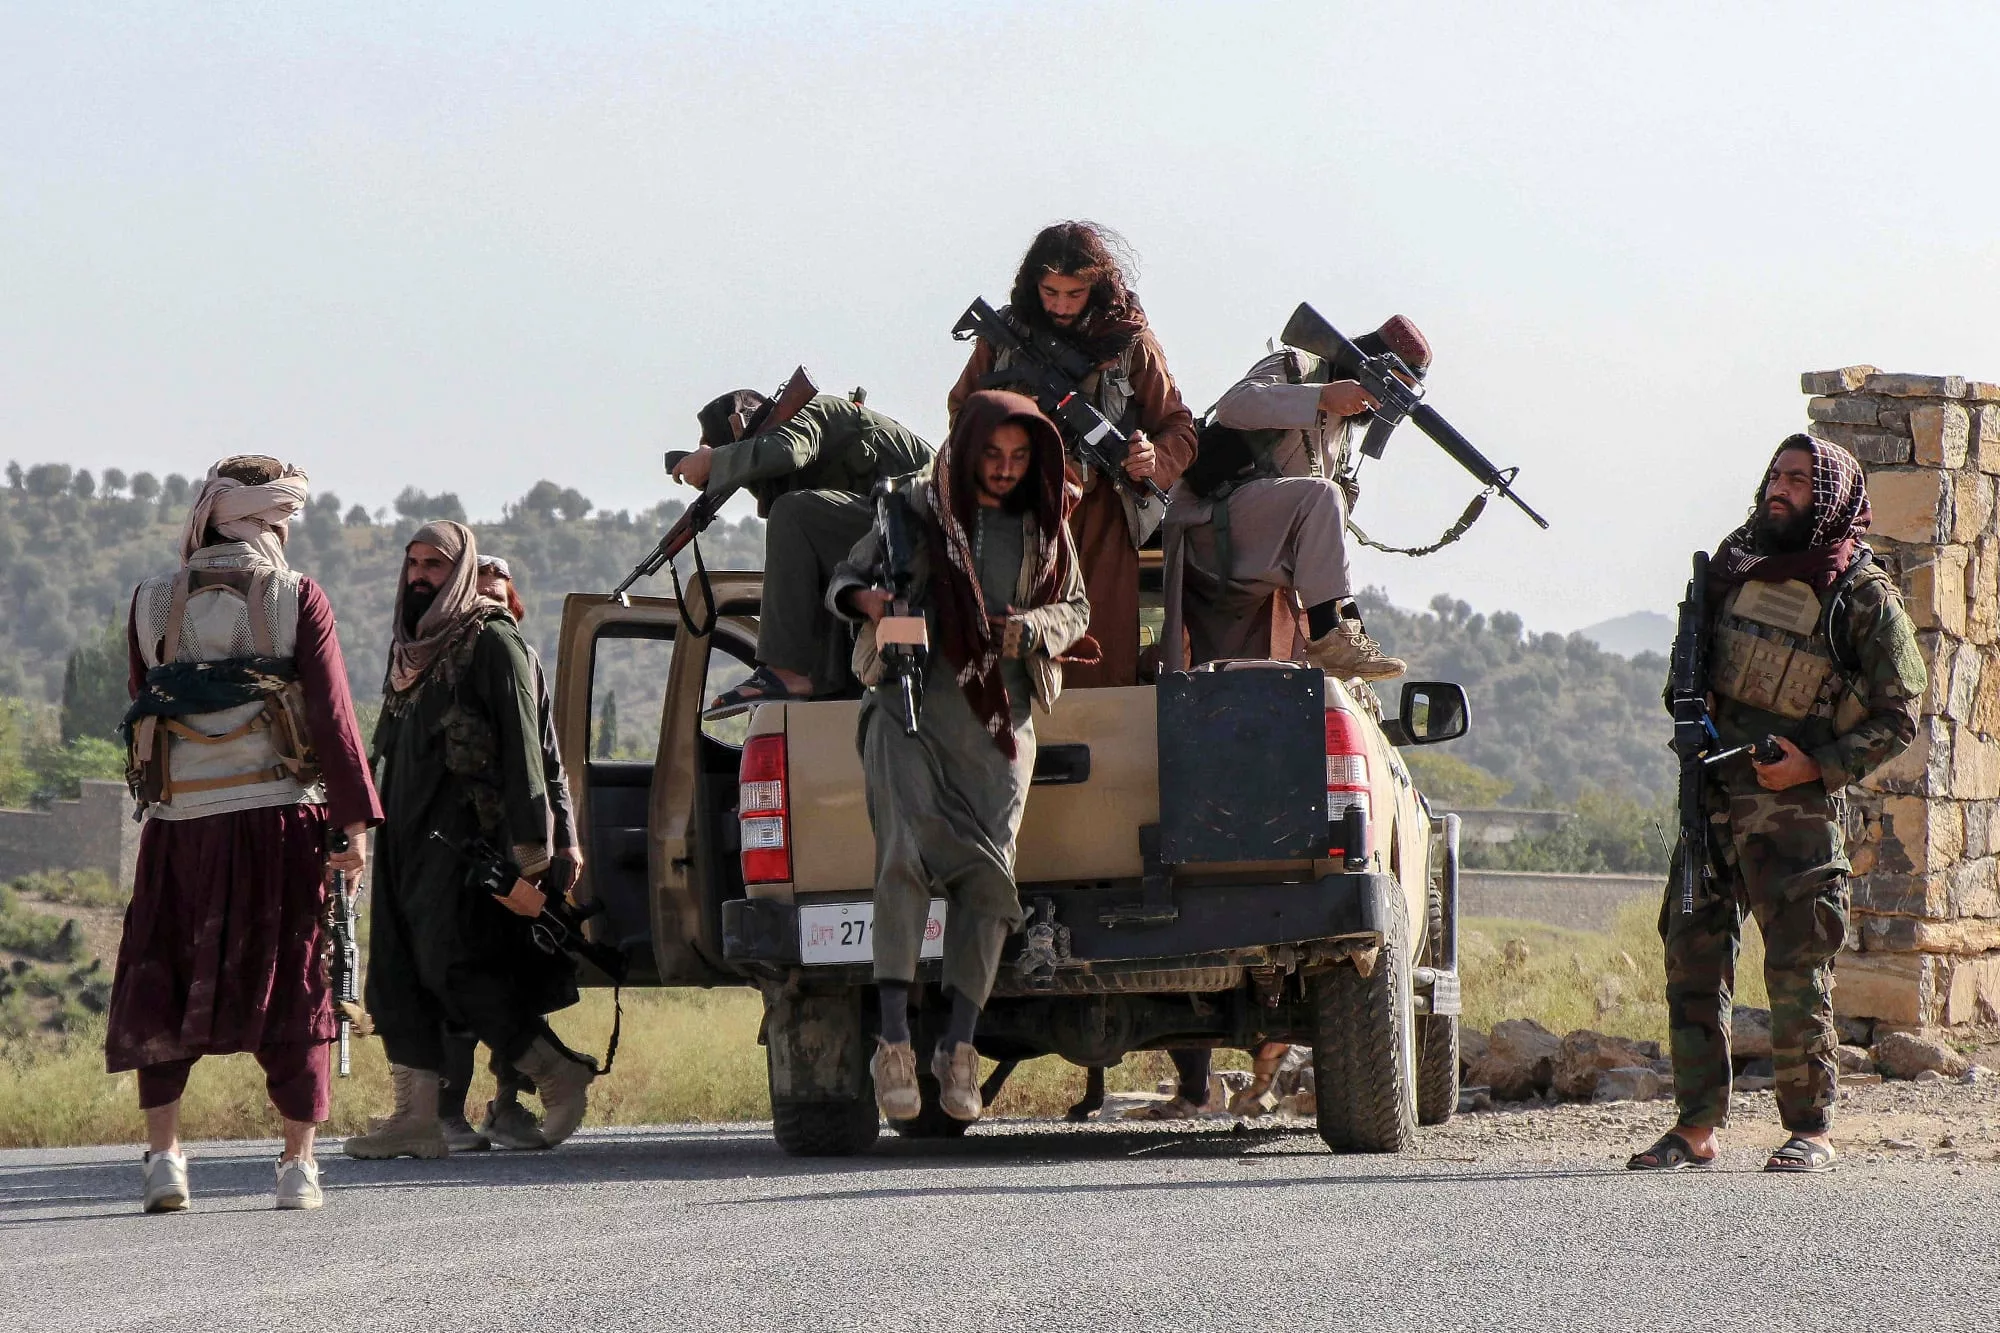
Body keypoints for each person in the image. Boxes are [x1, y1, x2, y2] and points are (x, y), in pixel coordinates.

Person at [1629, 435, 1925, 1175]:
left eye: (1798, 479)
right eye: (1775, 476)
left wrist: (1816, 766)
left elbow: (1900, 713)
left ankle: (1811, 1129)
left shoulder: (1859, 592)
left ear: (1826, 495)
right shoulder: (1732, 567)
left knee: (1798, 968)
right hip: (1713, 796)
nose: (1780, 489)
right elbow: (1688, 668)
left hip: (1793, 812)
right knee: (1692, 957)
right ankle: (1695, 1126)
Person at [106, 455, 381, 1213]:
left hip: (179, 829)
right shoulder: (297, 595)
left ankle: (164, 1159)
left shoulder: (150, 600)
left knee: (162, 977)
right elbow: (332, 717)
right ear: (265, 519)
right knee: (297, 983)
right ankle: (296, 1168)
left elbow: (143, 700)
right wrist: (352, 825)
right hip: (281, 822)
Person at [827, 390, 1092, 1122]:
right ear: (967, 448)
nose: (1005, 470)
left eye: (1018, 457)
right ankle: (893, 1045)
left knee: (989, 882)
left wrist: (1033, 626)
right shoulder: (911, 510)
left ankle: (959, 1046)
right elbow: (842, 583)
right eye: (992, 455)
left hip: (1000, 725)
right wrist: (875, 606)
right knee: (903, 860)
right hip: (905, 711)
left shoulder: (1046, 526)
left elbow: (1077, 608)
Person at [344, 521, 598, 1160]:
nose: (421, 575)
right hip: (403, 840)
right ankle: (416, 1116)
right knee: (396, 976)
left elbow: (529, 753)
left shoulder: (492, 644)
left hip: (464, 846)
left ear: (459, 571)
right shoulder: (410, 651)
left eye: (435, 564)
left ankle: (555, 1073)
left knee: (456, 971)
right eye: (413, 564)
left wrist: (536, 852)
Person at [949, 221, 1196, 687]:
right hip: (1014, 516)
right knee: (1010, 659)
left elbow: (1179, 427)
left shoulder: (1129, 343)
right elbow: (963, 411)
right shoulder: (1003, 338)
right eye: (1050, 292)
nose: (1060, 305)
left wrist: (1152, 458)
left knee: (1096, 661)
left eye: (1074, 293)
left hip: (1100, 519)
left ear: (1096, 288)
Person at [1160, 318, 1431, 680]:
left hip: (1257, 556)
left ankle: (1345, 634)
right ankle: (1327, 636)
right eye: (1394, 384)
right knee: (1323, 496)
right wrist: (1320, 396)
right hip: (1207, 526)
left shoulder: (1343, 433)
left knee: (1236, 687)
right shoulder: (1298, 368)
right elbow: (1233, 406)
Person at [426, 554, 585, 1151]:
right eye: (480, 588)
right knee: (463, 982)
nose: (489, 597)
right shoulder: (453, 660)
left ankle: (508, 1106)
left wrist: (561, 839)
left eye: (499, 588)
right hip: (467, 851)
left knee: (519, 979)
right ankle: (447, 1113)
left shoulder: (520, 659)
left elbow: (547, 761)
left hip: (518, 851)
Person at [677, 377, 934, 717]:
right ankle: (826, 686)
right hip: (896, 532)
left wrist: (716, 461)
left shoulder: (808, 414)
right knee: (804, 536)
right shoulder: (816, 503)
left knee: (792, 513)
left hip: (923, 525)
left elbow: (785, 450)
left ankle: (787, 672)